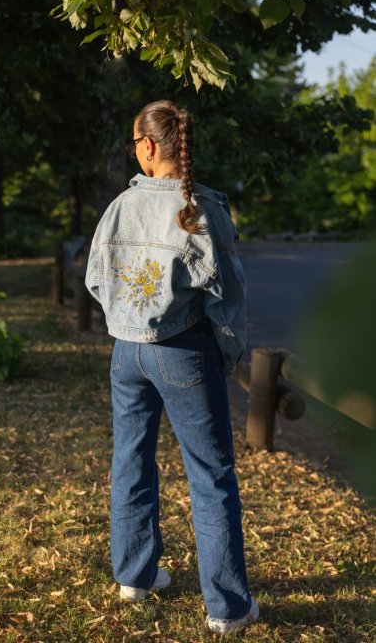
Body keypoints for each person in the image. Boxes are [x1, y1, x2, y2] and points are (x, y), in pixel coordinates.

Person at [85, 100, 259, 635]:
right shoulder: (203, 211)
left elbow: (95, 279)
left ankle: (135, 577)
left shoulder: (119, 207)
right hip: (184, 351)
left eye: (134, 141)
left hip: (126, 353)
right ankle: (227, 609)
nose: (133, 150)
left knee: (131, 459)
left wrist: (127, 318)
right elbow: (227, 301)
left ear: (150, 145)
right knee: (210, 475)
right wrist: (227, 354)